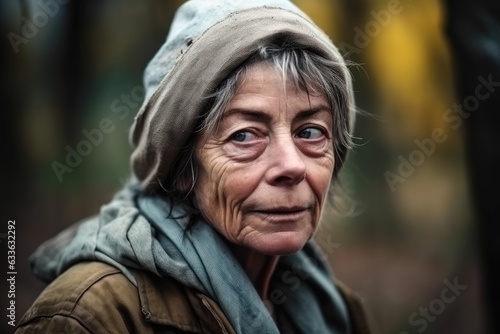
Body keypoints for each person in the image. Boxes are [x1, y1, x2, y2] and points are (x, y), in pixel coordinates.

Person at [16, 0, 371, 333]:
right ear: (182, 166)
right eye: (245, 136)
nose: (291, 166)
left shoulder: (335, 310)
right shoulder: (93, 317)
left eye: (310, 132)